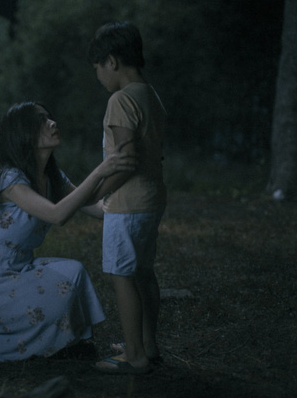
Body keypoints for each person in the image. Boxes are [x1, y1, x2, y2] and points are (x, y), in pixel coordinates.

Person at [0, 101, 135, 362]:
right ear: (22, 134)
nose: (52, 123)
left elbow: (96, 207)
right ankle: (26, 345)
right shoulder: (10, 178)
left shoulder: (53, 177)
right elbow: (56, 214)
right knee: (61, 286)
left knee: (74, 272)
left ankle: (69, 342)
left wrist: (128, 175)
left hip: (18, 267)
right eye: (41, 121)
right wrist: (100, 171)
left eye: (50, 118)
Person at [87, 21, 167, 374]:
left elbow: (125, 161)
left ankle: (134, 356)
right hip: (151, 199)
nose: (99, 77)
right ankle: (148, 345)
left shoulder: (120, 99)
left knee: (122, 276)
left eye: (98, 68)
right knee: (143, 273)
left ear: (112, 61)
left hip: (127, 205)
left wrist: (95, 193)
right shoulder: (150, 95)